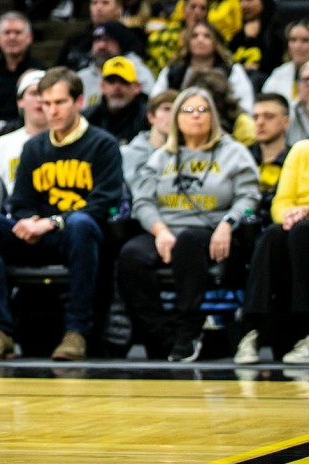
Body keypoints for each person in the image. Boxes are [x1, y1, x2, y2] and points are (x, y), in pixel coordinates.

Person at [0, 67, 123, 362]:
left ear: (78, 102)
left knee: (81, 223)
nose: (51, 110)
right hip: (39, 235)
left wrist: (52, 223)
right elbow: (22, 200)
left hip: (78, 238)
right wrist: (28, 220)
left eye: (60, 103)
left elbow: (104, 202)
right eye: (47, 103)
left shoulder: (102, 144)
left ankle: (76, 332)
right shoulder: (34, 147)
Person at [121, 87, 260, 362]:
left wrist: (227, 223)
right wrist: (159, 231)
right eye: (188, 110)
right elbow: (142, 202)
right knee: (130, 256)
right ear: (176, 118)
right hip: (166, 229)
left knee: (188, 241)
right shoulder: (161, 156)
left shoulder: (234, 153)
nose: (196, 116)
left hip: (211, 231)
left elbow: (249, 199)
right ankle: (165, 335)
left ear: (213, 116)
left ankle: (189, 329)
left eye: (202, 110)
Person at [235, 138, 309, 365]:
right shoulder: (301, 150)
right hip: (298, 225)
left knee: (302, 231)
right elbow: (281, 202)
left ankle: (305, 330)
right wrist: (289, 216)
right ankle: (254, 328)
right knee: (272, 235)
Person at [0, 69, 47, 193]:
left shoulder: (66, 143)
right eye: (34, 93)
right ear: (20, 101)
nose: (40, 99)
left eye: (44, 93)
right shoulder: (2, 144)